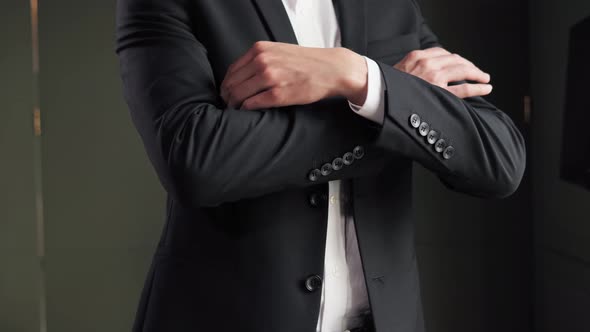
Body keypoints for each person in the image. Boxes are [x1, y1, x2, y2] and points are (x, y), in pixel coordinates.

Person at [114, 0, 526, 331]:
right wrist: (389, 106)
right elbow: (195, 161)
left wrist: (359, 76)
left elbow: (499, 159)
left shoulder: (391, 7)